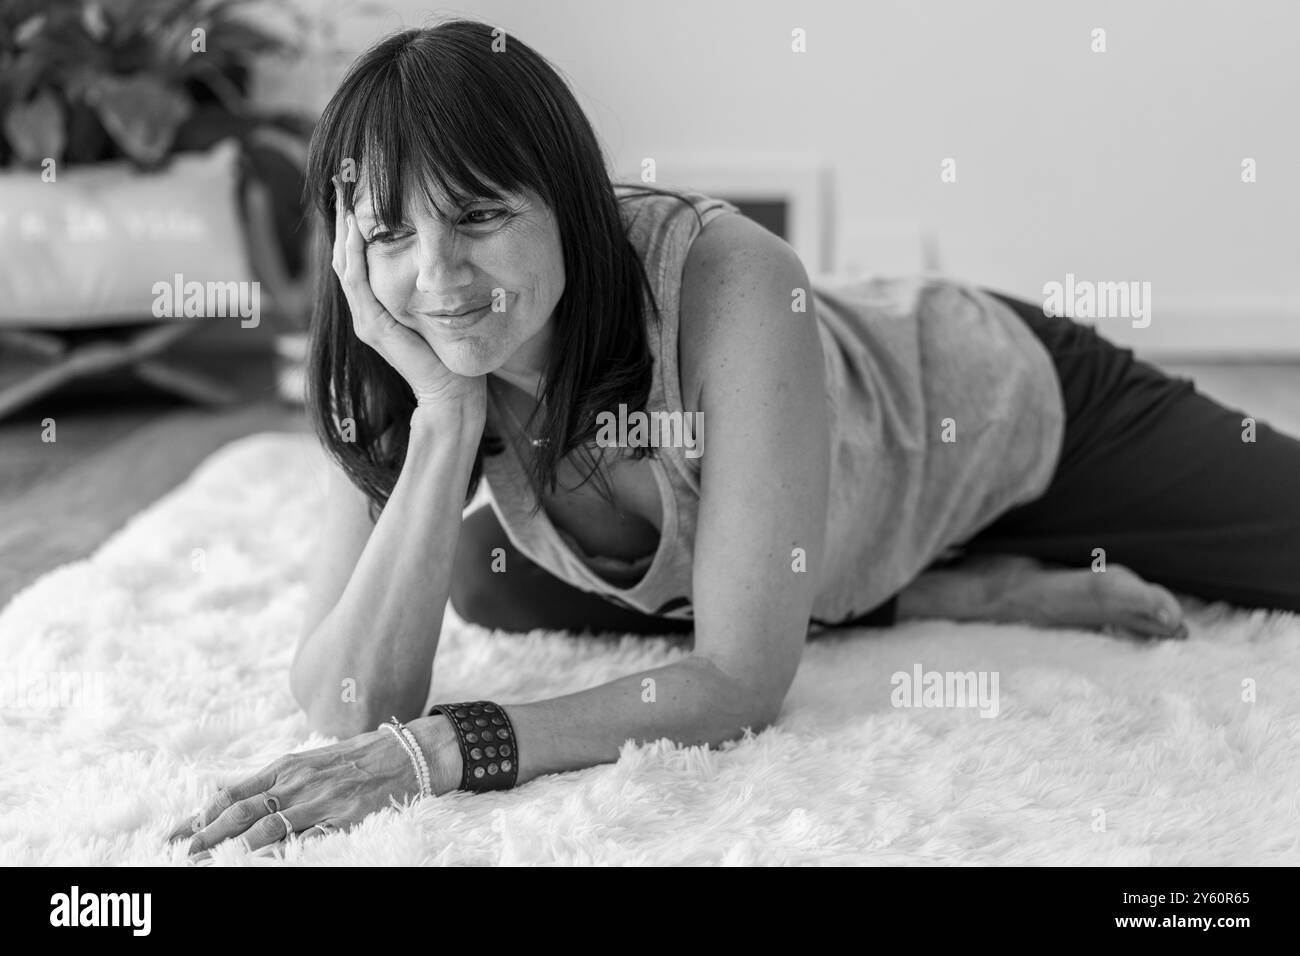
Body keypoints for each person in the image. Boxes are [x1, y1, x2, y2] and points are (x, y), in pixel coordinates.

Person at [167, 19, 1300, 861]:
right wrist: (445, 420)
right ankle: (951, 587)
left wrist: (444, 748)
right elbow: (347, 699)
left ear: (566, 196)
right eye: (392, 235)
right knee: (484, 572)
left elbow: (741, 678)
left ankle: (954, 561)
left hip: (999, 413)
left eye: (477, 217)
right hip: (838, 521)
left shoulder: (729, 275)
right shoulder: (398, 349)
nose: (440, 276)